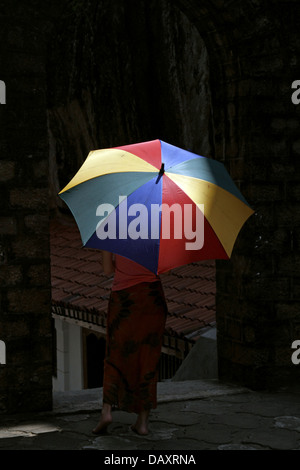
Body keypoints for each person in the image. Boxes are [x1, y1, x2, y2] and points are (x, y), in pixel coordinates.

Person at [92, 251, 168, 436]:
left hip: (124, 298)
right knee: (148, 359)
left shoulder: (112, 227)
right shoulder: (157, 228)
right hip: (152, 298)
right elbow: (164, 268)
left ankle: (107, 412)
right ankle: (142, 422)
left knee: (114, 355)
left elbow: (108, 270)